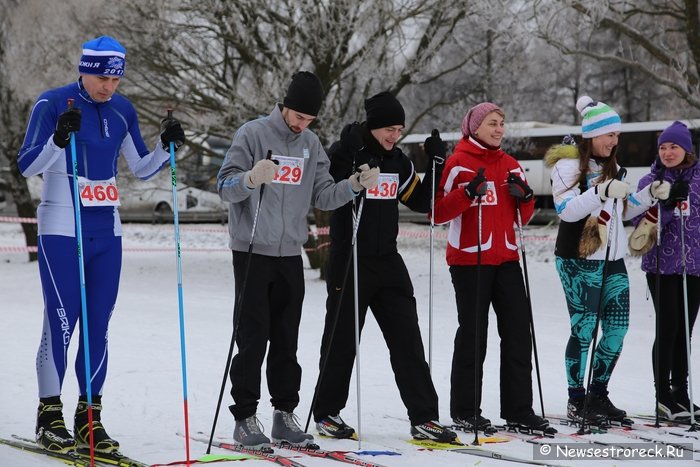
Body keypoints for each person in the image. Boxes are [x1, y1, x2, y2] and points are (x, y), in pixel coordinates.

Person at [17, 36, 185, 454]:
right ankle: (49, 413)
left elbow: (143, 168)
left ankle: (88, 418)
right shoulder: (51, 103)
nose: (108, 87)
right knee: (61, 320)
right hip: (60, 226)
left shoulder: (122, 110)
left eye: (115, 78)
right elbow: (26, 165)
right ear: (84, 68)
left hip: (106, 231)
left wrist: (168, 148)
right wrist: (58, 139)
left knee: (98, 326)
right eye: (101, 77)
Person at [217, 71, 379, 449]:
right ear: (285, 105)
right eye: (298, 116)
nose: (302, 124)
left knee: (287, 339)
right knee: (253, 337)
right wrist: (251, 180)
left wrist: (353, 185)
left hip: (290, 253)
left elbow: (322, 195)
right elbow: (224, 186)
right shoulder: (253, 134)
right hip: (253, 250)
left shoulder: (310, 143)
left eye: (309, 119)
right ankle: (244, 417)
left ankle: (284, 414)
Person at [312, 91, 458, 443]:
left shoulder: (399, 161)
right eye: (389, 129)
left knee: (408, 339)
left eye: (400, 129)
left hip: (388, 261)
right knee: (342, 340)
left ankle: (424, 417)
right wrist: (346, 156)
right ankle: (327, 412)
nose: (395, 136)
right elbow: (323, 192)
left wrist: (436, 166)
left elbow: (422, 202)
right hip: (350, 259)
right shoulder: (345, 150)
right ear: (373, 126)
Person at [545, 96, 664, 425]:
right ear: (592, 135)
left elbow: (622, 210)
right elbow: (567, 211)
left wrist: (649, 194)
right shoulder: (568, 166)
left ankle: (598, 393)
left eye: (617, 136)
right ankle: (576, 399)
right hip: (578, 259)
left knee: (617, 330)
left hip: (613, 260)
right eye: (609, 135)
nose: (614, 141)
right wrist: (600, 191)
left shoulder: (615, 168)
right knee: (584, 331)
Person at [433, 102, 551, 433]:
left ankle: (518, 410)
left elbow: (522, 218)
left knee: (517, 333)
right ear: (474, 127)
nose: (499, 129)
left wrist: (526, 197)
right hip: (470, 259)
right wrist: (467, 194)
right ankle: (465, 409)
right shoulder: (458, 163)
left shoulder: (511, 164)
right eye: (491, 123)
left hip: (507, 259)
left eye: (501, 123)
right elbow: (438, 212)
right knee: (474, 335)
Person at [629, 121, 700, 421]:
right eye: (663, 147)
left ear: (687, 149)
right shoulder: (650, 180)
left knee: (685, 330)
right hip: (661, 267)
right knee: (668, 326)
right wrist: (667, 205)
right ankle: (662, 396)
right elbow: (637, 224)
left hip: (694, 267)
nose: (668, 152)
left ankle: (680, 394)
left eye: (674, 146)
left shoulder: (698, 179)